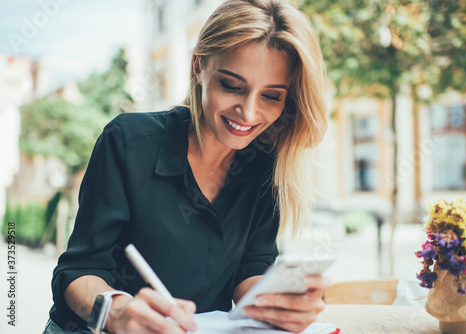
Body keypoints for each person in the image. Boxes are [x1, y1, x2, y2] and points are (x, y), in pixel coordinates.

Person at [44, 0, 329, 333]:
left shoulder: (266, 162)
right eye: (232, 86)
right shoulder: (129, 141)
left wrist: (277, 302)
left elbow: (251, 267)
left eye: (271, 96)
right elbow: (79, 270)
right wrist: (117, 312)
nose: (248, 113)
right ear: (198, 67)